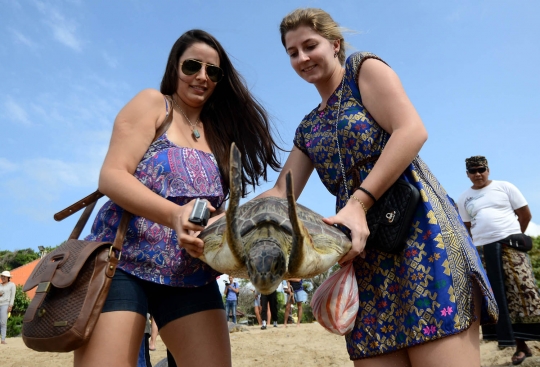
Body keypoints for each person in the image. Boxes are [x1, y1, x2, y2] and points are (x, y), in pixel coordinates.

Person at [255, 8, 499, 366]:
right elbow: (280, 192)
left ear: (335, 44)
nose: (302, 57)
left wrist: (358, 203)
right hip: (364, 254)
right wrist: (227, 219)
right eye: (292, 52)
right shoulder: (308, 127)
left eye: (310, 45)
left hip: (421, 235)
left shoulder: (361, 70)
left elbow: (411, 130)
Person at [74, 29, 281, 367]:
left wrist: (222, 234)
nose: (202, 76)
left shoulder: (220, 135)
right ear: (175, 67)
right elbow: (112, 175)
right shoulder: (154, 104)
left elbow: (217, 209)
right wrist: (174, 216)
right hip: (122, 263)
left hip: (191, 273)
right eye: (192, 66)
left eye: (212, 71)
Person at [457, 155, 540, 366]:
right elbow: (466, 228)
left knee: (524, 289)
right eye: (473, 171)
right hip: (484, 251)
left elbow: (525, 214)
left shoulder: (505, 187)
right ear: (467, 174)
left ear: (488, 170)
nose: (478, 174)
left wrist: (513, 237)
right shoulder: (464, 198)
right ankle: (521, 346)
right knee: (498, 297)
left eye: (481, 169)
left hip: (510, 247)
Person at [0, 270, 16, 345]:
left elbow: (12, 296)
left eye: (4, 276)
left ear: (8, 277)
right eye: (2, 276)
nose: (2, 278)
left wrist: (10, 306)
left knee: (3, 322)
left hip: (5, 304)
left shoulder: (12, 285)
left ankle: (3, 339)